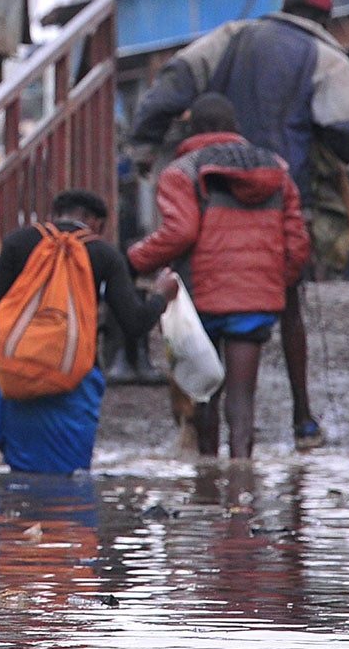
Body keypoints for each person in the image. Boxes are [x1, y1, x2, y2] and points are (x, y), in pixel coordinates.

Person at [128, 0, 349, 450]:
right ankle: (302, 420)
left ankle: (200, 449)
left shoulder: (229, 37)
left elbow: (172, 82)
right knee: (291, 307)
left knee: (198, 325)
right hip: (278, 196)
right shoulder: (325, 58)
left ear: (283, 6)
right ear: (323, 18)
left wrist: (143, 143)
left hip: (209, 201)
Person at [129, 95, 310, 460]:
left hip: (201, 299)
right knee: (243, 397)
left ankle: (209, 476)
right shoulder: (275, 169)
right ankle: (241, 476)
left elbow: (180, 233)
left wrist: (134, 260)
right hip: (255, 300)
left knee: (205, 392)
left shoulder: (181, 172)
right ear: (235, 129)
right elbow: (298, 242)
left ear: (194, 129)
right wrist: (275, 281)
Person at [0, 189, 176, 474]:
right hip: (73, 383)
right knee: (68, 483)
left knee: (20, 486)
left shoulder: (17, 243)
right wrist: (160, 296)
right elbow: (134, 324)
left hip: (12, 382)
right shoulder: (104, 254)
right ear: (93, 221)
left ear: (54, 215)